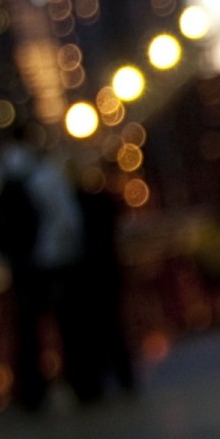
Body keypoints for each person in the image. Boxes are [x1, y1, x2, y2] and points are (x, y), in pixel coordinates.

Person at [0, 126, 82, 410]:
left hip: (18, 266)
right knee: (67, 326)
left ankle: (31, 392)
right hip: (53, 261)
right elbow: (67, 218)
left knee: (26, 331)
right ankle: (80, 382)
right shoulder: (46, 172)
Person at [66, 171, 136, 401]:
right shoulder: (106, 205)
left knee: (91, 327)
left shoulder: (75, 208)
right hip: (108, 271)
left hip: (86, 276)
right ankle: (123, 375)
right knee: (113, 323)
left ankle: (96, 381)